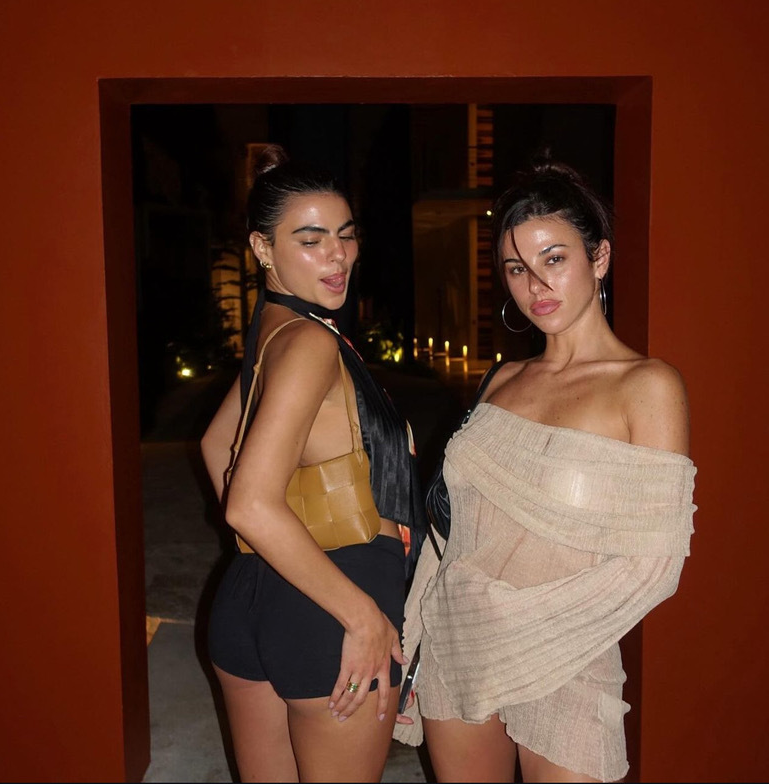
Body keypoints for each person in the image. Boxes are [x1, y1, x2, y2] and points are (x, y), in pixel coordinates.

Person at [394, 159, 697, 783]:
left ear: (599, 257)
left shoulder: (647, 386)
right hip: (458, 644)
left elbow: (654, 566)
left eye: (553, 259)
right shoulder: (502, 379)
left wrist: (517, 626)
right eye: (516, 268)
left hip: (568, 659)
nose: (536, 285)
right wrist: (414, 635)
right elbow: (451, 533)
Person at [201, 145, 424, 783]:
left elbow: (217, 446)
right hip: (336, 608)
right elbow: (248, 503)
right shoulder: (309, 343)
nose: (337, 255)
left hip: (252, 593)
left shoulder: (271, 333)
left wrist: (274, 541)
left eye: (346, 236)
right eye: (311, 239)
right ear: (263, 248)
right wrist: (362, 615)